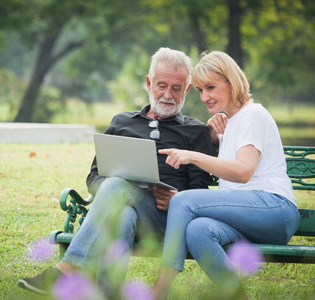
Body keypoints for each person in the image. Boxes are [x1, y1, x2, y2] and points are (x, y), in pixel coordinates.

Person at [18, 47, 213, 295]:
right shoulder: (122, 122)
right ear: (148, 83)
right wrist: (113, 189)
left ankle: (66, 270)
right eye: (161, 85)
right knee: (122, 212)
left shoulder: (196, 132)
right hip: (122, 211)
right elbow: (94, 177)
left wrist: (178, 199)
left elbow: (200, 192)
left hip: (166, 219)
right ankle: (106, 291)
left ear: (186, 90)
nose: (167, 94)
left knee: (119, 188)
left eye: (176, 88)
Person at [152, 51, 300, 299]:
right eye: (199, 90)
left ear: (232, 82)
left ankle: (160, 290)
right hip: (247, 218)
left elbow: (244, 172)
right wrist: (211, 134)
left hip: (275, 209)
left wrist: (193, 155)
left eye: (211, 87)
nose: (204, 97)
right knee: (197, 231)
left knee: (182, 200)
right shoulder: (230, 123)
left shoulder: (252, 114)